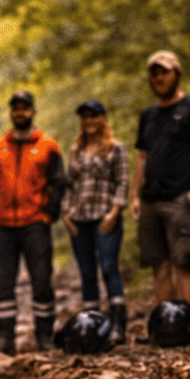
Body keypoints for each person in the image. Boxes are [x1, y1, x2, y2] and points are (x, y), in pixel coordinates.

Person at [0, 90, 68, 353]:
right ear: (11, 113)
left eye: (25, 108)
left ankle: (44, 337)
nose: (20, 112)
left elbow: (60, 182)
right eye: (16, 108)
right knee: (2, 282)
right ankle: (5, 337)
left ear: (33, 112)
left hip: (34, 224)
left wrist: (49, 214)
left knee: (41, 280)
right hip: (3, 226)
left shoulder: (48, 145)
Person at [132, 50, 190, 312]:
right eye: (154, 73)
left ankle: (189, 322)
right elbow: (142, 157)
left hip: (180, 199)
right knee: (158, 265)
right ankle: (166, 325)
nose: (159, 78)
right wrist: (135, 195)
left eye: (164, 72)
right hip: (151, 200)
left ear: (177, 74)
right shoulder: (148, 115)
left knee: (183, 264)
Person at [62, 99, 130, 342]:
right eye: (85, 117)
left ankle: (118, 324)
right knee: (87, 272)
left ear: (103, 118)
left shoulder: (116, 148)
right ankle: (91, 324)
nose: (89, 121)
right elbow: (69, 185)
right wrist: (65, 214)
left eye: (94, 116)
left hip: (105, 217)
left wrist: (115, 212)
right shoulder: (75, 151)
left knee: (109, 268)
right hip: (79, 219)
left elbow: (122, 181)